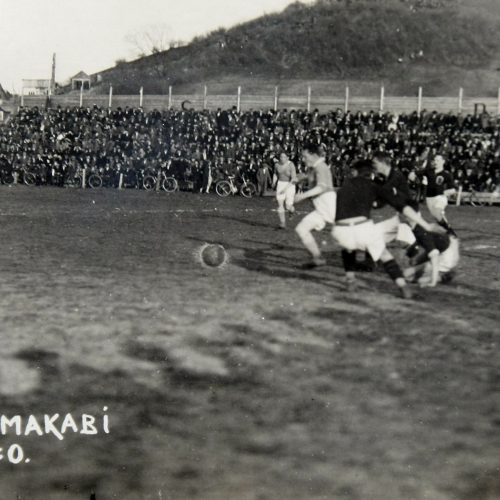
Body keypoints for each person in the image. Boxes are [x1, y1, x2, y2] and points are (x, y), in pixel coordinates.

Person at [331, 159, 442, 298]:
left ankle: (350, 280)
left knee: (347, 247)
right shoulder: (373, 186)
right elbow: (403, 207)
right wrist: (426, 225)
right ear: (370, 173)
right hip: (361, 227)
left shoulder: (344, 187)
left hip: (339, 230)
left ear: (354, 172)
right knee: (384, 255)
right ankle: (403, 287)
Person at [294, 142, 336, 267]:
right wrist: (301, 177)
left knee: (350, 235)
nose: (303, 159)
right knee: (301, 229)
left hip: (329, 205)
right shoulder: (314, 167)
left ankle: (374, 254)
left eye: (305, 156)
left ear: (313, 155)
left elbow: (321, 187)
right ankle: (318, 258)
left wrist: (302, 195)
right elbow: (310, 177)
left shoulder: (321, 167)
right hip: (321, 207)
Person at [423, 154, 457, 235]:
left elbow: (453, 188)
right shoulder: (428, 171)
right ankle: (450, 233)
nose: (436, 162)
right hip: (429, 198)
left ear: (443, 162)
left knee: (437, 212)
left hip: (440, 197)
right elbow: (417, 174)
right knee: (438, 217)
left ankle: (450, 233)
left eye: (438, 160)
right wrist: (413, 175)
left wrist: (447, 192)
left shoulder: (446, 174)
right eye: (435, 160)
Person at [273, 152, 297, 228]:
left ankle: (291, 212)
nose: (282, 158)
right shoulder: (276, 165)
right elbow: (275, 174)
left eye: (284, 157)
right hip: (280, 184)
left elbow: (293, 179)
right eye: (281, 157)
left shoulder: (291, 165)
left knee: (288, 206)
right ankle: (282, 223)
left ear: (287, 158)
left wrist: (285, 188)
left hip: (290, 185)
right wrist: (274, 182)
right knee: (280, 204)